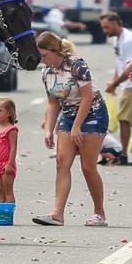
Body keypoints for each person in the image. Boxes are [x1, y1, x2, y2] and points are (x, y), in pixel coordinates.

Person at [33, 31, 109, 227]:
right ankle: (57, 213)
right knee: (62, 163)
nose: (42, 60)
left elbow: (87, 97)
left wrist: (77, 128)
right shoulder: (46, 73)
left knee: (87, 166)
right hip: (68, 115)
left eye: (44, 55)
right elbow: (52, 102)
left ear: (55, 51)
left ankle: (99, 213)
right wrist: (49, 129)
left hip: (93, 114)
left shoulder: (76, 65)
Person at [101, 12, 132, 162]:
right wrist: (114, 83)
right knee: (128, 119)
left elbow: (130, 68)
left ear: (116, 23)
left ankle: (125, 154)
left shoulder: (128, 41)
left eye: (106, 27)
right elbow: (119, 64)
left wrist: (115, 84)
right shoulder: (117, 40)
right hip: (126, 84)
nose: (104, 30)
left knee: (124, 119)